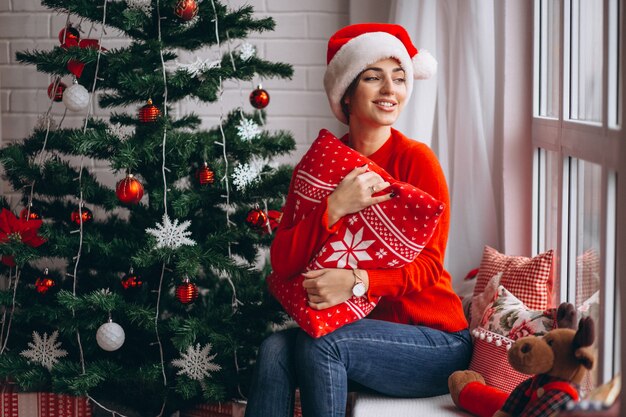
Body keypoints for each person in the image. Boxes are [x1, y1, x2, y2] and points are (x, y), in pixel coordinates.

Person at [245, 23, 471, 417]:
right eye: (373, 77)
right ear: (346, 94)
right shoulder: (318, 167)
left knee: (322, 344)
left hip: (433, 342)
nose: (390, 90)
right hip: (356, 338)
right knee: (274, 349)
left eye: (399, 78)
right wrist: (334, 206)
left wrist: (357, 282)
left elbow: (430, 267)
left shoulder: (416, 162)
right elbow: (282, 261)